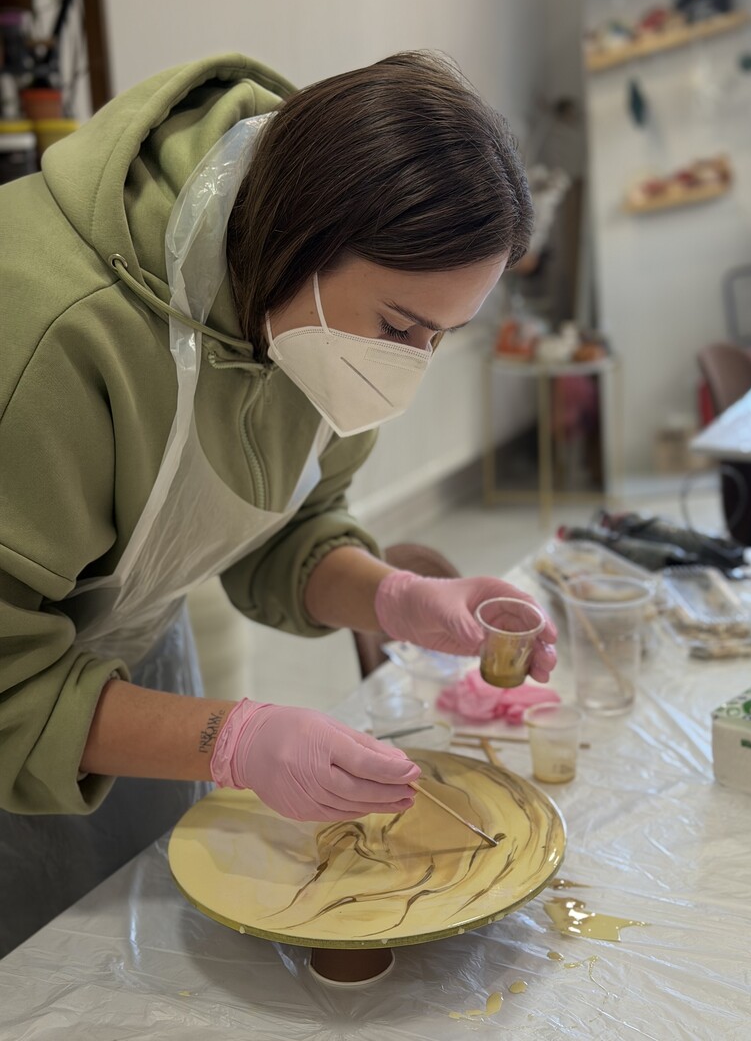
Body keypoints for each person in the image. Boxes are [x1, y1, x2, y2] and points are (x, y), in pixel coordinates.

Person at [0, 50, 557, 957]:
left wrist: (395, 597)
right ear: (300, 234)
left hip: (125, 659)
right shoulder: (49, 332)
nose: (408, 367)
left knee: (153, 941)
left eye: (441, 337)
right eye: (399, 327)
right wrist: (230, 738)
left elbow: (277, 530)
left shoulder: (304, 315)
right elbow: (9, 685)